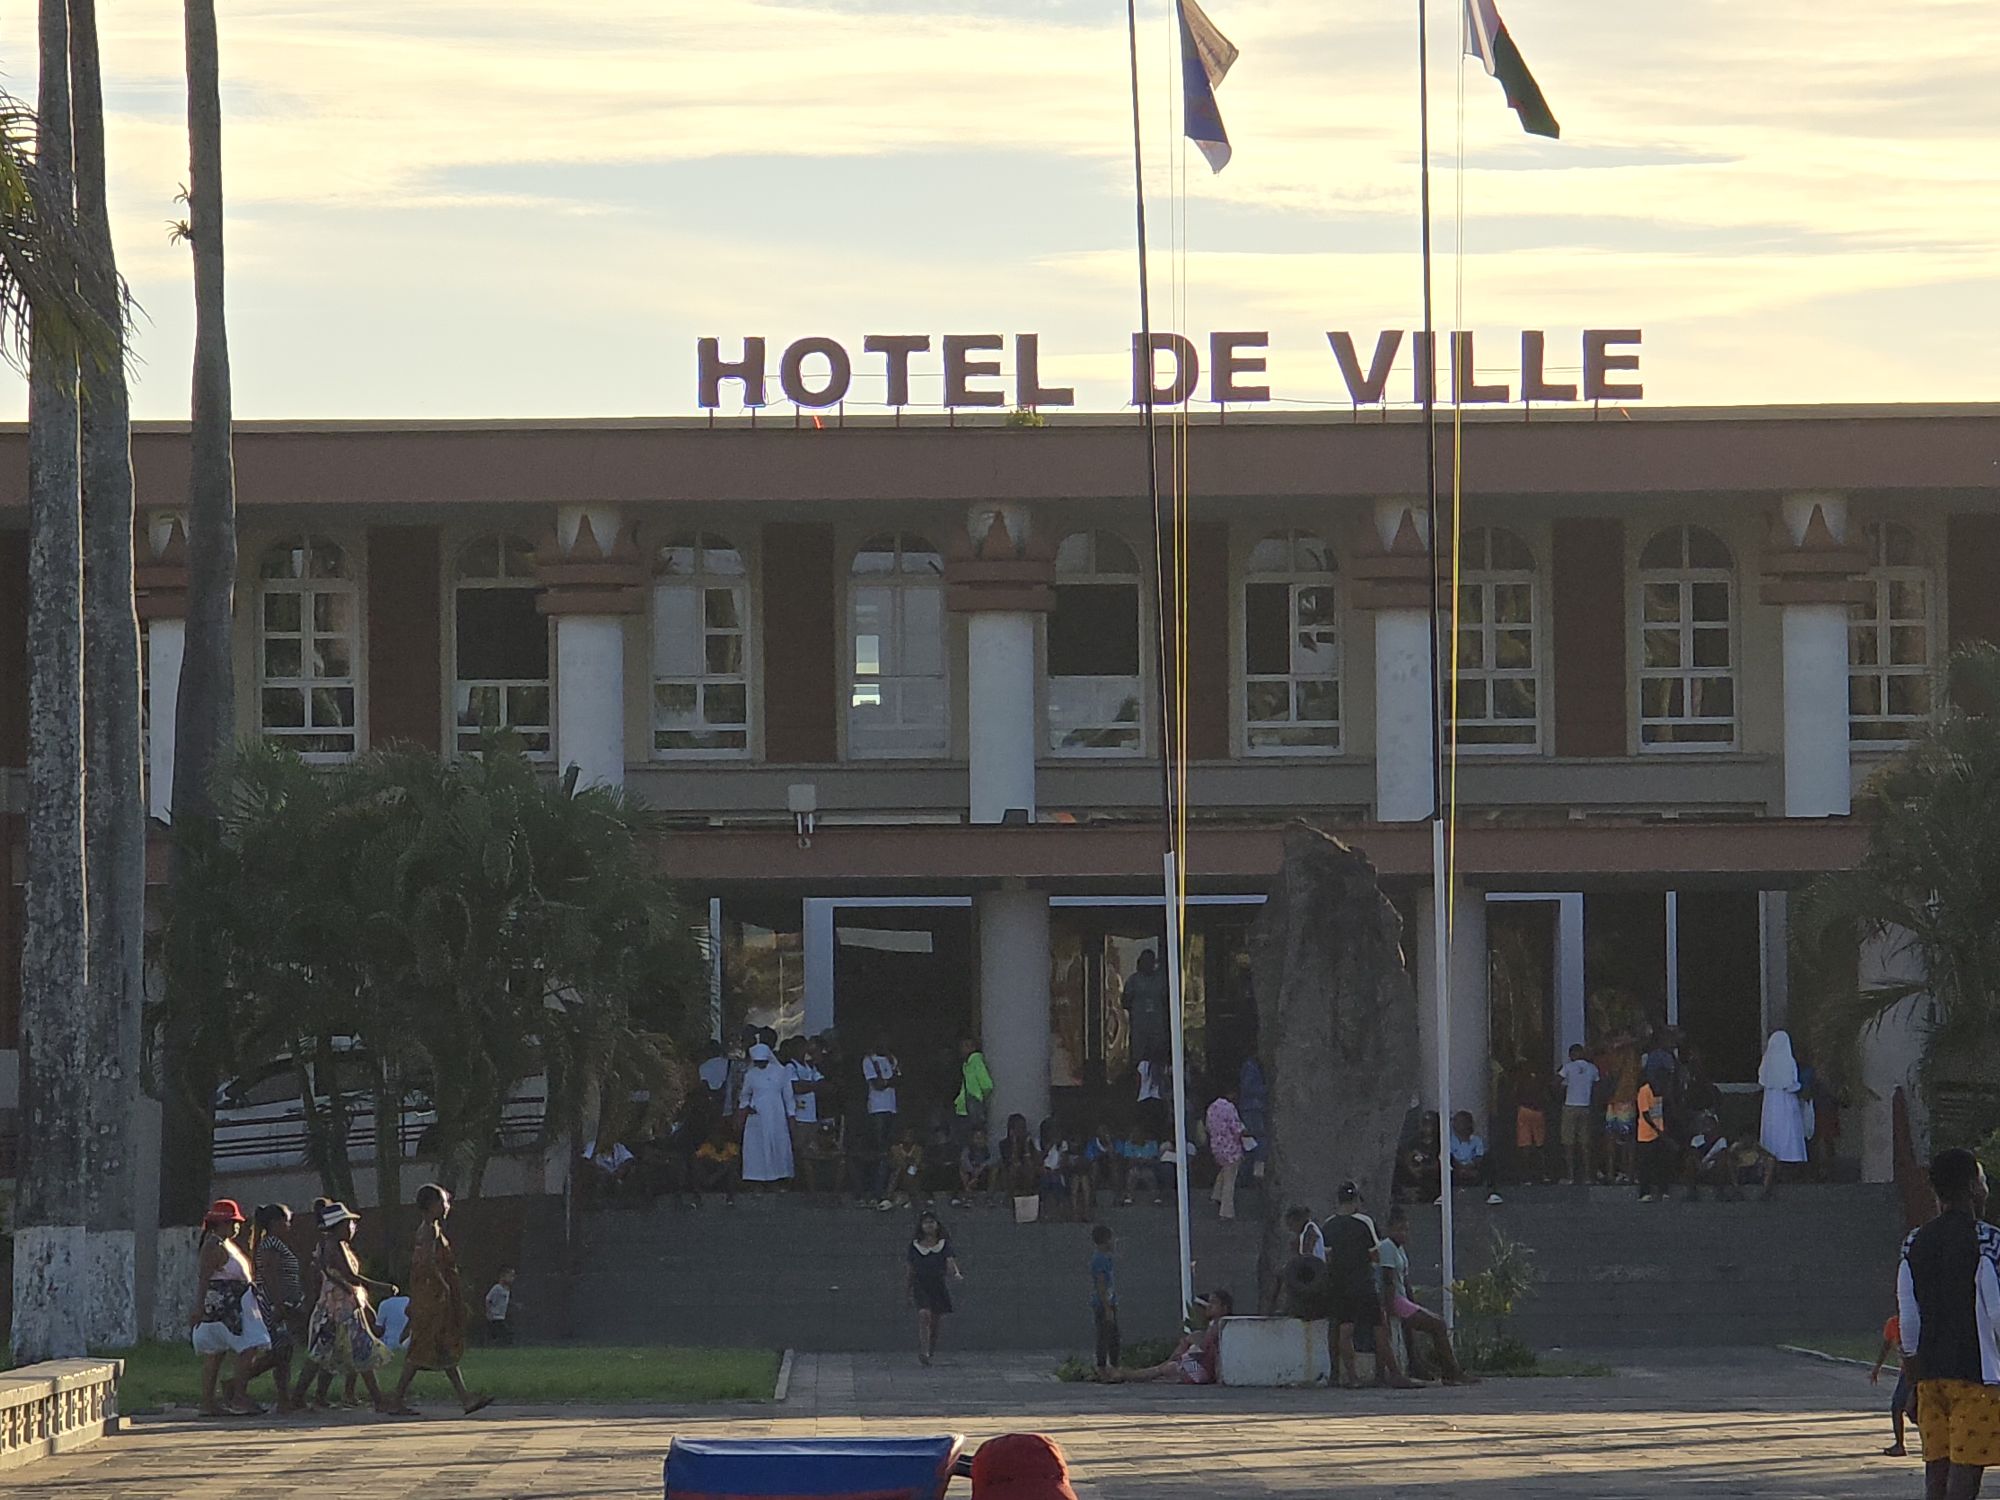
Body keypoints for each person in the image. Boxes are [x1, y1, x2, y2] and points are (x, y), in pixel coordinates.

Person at [1898, 1147, 2000, 1500]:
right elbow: (1997, 1313)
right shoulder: (1988, 1240)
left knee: (1936, 1469)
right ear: (1973, 1187)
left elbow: (1908, 1321)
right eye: (1983, 1181)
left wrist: (1912, 1383)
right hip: (1976, 1376)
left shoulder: (1914, 1242)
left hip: (1929, 1379)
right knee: (1965, 1471)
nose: (1986, 1189)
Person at [391, 1184, 493, 1415]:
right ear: (433, 1205)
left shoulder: (432, 1228)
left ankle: (465, 1398)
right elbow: (426, 1262)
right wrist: (443, 1285)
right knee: (422, 1348)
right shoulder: (429, 1230)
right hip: (433, 1297)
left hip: (434, 1295)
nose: (448, 1206)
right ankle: (396, 1399)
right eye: (444, 1202)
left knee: (442, 1346)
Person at [299, 1201, 400, 1413]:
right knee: (361, 1350)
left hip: (341, 1306)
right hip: (337, 1309)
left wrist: (367, 1308)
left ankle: (312, 1397)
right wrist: (383, 1287)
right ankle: (379, 1400)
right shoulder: (334, 1246)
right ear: (338, 1226)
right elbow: (351, 1277)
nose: (353, 1228)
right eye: (349, 1224)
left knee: (325, 1354)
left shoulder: (333, 1245)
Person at [1324, 1182, 1416, 1390]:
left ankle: (1350, 1377)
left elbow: (1328, 1257)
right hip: (1363, 1283)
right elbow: (1375, 1253)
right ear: (1356, 1200)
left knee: (1345, 1329)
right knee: (1379, 1328)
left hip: (1340, 1283)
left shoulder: (1329, 1224)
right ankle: (1390, 1374)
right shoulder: (1365, 1222)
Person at [190, 1198, 271, 1417]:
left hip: (236, 1303)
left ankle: (210, 1402)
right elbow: (204, 1279)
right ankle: (238, 1396)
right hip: (227, 1308)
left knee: (217, 1353)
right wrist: (198, 1306)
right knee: (248, 1346)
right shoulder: (213, 1246)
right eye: (233, 1222)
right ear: (222, 1223)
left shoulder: (225, 1244)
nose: (237, 1226)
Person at [1379, 1207, 1477, 1386]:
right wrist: (1389, 1308)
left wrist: (1412, 1301)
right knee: (1437, 1324)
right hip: (1394, 1299)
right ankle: (1451, 1372)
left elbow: (1405, 1279)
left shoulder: (1399, 1249)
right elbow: (1388, 1279)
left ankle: (1439, 1368)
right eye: (1400, 1229)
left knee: (1435, 1322)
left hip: (1403, 1299)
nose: (1404, 1233)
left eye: (1406, 1229)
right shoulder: (1386, 1247)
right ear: (1390, 1229)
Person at [1097, 1290, 1233, 1384]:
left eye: (1213, 1303)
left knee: (1165, 1368)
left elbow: (1206, 1348)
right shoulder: (1214, 1325)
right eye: (1209, 1302)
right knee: (1167, 1367)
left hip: (1203, 1373)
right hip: (1203, 1369)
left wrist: (1193, 1342)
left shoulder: (1220, 1326)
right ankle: (1131, 1374)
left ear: (1224, 1308)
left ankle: (1127, 1374)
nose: (1209, 1306)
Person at [250, 1203, 305, 1413]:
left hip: (284, 1303)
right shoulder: (271, 1245)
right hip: (274, 1305)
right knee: (280, 1350)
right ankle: (239, 1381)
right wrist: (278, 1303)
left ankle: (284, 1399)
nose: (289, 1226)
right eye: (286, 1222)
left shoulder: (277, 1244)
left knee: (284, 1352)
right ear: (275, 1223)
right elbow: (271, 1274)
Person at [906, 1209, 963, 1366]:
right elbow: (910, 1269)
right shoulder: (915, 1246)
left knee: (935, 1321)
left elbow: (950, 1261)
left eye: (932, 1222)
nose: (929, 1225)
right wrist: (908, 1290)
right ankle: (923, 1350)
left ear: (937, 1225)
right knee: (924, 1314)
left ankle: (930, 1350)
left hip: (937, 1284)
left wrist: (956, 1273)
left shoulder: (943, 1244)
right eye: (925, 1222)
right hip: (920, 1283)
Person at [738, 1041, 797, 1189]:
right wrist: (745, 1107)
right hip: (758, 1113)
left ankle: (779, 1177)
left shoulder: (781, 1071)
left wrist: (791, 1114)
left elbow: (788, 1095)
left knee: (778, 1142)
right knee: (758, 1145)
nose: (760, 1064)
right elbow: (744, 1095)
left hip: (776, 1113)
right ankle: (757, 1178)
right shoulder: (750, 1074)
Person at [1757, 1029, 1810, 1194]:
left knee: (1773, 1135)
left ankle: (1773, 1170)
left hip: (1771, 1106)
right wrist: (1801, 1088)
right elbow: (1790, 1083)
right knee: (1788, 1135)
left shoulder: (1767, 1063)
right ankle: (1789, 1170)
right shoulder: (1788, 1062)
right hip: (1786, 1105)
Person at [862, 1037, 901, 1201]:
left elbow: (898, 1080)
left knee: (890, 1148)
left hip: (891, 1107)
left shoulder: (892, 1059)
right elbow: (877, 1084)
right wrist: (888, 1081)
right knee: (879, 1148)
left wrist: (887, 1081)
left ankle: (887, 1187)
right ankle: (875, 1189)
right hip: (877, 1109)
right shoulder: (869, 1060)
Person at [1872, 1310, 1915, 1458]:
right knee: (1902, 1407)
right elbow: (1886, 1346)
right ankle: (1899, 1444)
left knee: (1906, 1407)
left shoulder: (1918, 1321)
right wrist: (1877, 1367)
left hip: (1918, 1370)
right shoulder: (1893, 1323)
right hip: (1907, 1371)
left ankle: (1900, 1445)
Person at [1557, 1044, 1601, 1186]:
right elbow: (1597, 1086)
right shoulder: (1592, 1068)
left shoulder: (1568, 1067)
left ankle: (1570, 1176)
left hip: (1570, 1106)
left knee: (1568, 1143)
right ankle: (1587, 1176)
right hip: (1586, 1107)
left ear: (1571, 1055)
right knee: (1585, 1143)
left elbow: (1556, 1081)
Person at [1121, 949, 1170, 1069]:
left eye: (1151, 961)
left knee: (1158, 1060)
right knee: (1138, 1060)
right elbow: (1125, 1002)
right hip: (1139, 1029)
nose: (1148, 964)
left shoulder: (1161, 980)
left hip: (1157, 1028)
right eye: (1145, 961)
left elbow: (1167, 1001)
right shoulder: (1133, 980)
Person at [1205, 1090, 1247, 1222]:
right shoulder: (1229, 1108)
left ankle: (1216, 1195)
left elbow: (1207, 1127)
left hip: (1217, 1147)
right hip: (1231, 1148)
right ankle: (1226, 1212)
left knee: (1224, 1170)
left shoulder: (1211, 1108)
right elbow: (1236, 1128)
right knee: (1230, 1179)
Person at [1635, 1065, 1672, 1203]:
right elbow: (1646, 1114)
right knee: (1646, 1165)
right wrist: (1658, 1131)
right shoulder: (1644, 1091)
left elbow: (1659, 1112)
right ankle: (1644, 1192)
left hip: (1659, 1133)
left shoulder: (1660, 1091)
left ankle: (1663, 1191)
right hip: (1646, 1134)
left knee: (1661, 1163)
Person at [1448, 1111, 1502, 1205]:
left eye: (1460, 1121)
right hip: (1455, 1170)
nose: (1456, 1124)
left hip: (1472, 1170)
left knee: (1489, 1159)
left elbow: (1479, 1157)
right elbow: (1450, 1157)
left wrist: (1469, 1168)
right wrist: (1460, 1169)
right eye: (1455, 1121)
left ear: (1468, 1123)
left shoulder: (1476, 1140)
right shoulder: (1449, 1140)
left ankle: (1492, 1192)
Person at [1089, 1224, 1120, 1374]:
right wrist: (1107, 1307)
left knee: (1112, 1335)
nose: (1114, 1242)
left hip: (1109, 1302)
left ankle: (1112, 1365)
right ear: (1105, 1240)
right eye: (1111, 1239)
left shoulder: (1105, 1258)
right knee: (1106, 1335)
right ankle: (1104, 1367)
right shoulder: (1099, 1259)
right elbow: (1101, 1284)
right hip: (1103, 1304)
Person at [954, 1038, 995, 1139]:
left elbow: (987, 1085)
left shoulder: (976, 1060)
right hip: (966, 1107)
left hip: (973, 1106)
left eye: (966, 1046)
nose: (962, 1049)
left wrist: (978, 1097)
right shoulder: (967, 1064)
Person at [691, 1124, 741, 1206]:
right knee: (697, 1163)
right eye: (715, 1136)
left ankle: (730, 1198)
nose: (717, 1139)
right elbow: (695, 1157)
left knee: (730, 1165)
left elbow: (735, 1160)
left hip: (722, 1177)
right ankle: (697, 1196)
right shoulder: (707, 1147)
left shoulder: (730, 1147)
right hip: (708, 1176)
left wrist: (716, 1175)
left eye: (720, 1136)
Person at [1117, 1127, 1163, 1206]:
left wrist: (1144, 1161)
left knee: (1150, 1175)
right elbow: (1129, 1160)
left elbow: (1154, 1159)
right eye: (1135, 1134)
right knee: (1132, 1174)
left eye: (1139, 1134)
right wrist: (1140, 1160)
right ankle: (1129, 1197)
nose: (1136, 1136)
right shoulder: (1128, 1144)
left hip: (1148, 1167)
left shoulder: (1152, 1144)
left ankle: (1155, 1197)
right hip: (1134, 1167)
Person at [888, 1126, 928, 1209]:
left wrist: (912, 1164)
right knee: (899, 1171)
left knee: (913, 1172)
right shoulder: (895, 1149)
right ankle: (889, 1195)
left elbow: (917, 1162)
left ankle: (914, 1198)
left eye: (910, 1135)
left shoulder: (918, 1149)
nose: (908, 1137)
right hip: (899, 1174)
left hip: (914, 1174)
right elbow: (895, 1163)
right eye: (906, 1134)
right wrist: (906, 1163)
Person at [958, 1127, 995, 1206]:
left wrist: (983, 1165)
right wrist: (972, 1170)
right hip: (972, 1172)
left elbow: (994, 1159)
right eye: (976, 1138)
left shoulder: (989, 1148)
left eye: (981, 1138)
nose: (979, 1141)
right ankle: (968, 1194)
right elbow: (964, 1160)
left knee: (994, 1169)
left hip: (984, 1171)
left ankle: (989, 1197)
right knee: (962, 1169)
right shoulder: (968, 1149)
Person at [485, 1267, 516, 1346]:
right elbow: (488, 1299)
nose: (512, 1278)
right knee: (503, 1333)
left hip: (502, 1316)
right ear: (503, 1276)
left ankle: (500, 1345)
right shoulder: (497, 1288)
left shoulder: (507, 1290)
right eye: (510, 1276)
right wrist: (488, 1312)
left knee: (504, 1333)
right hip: (495, 1317)